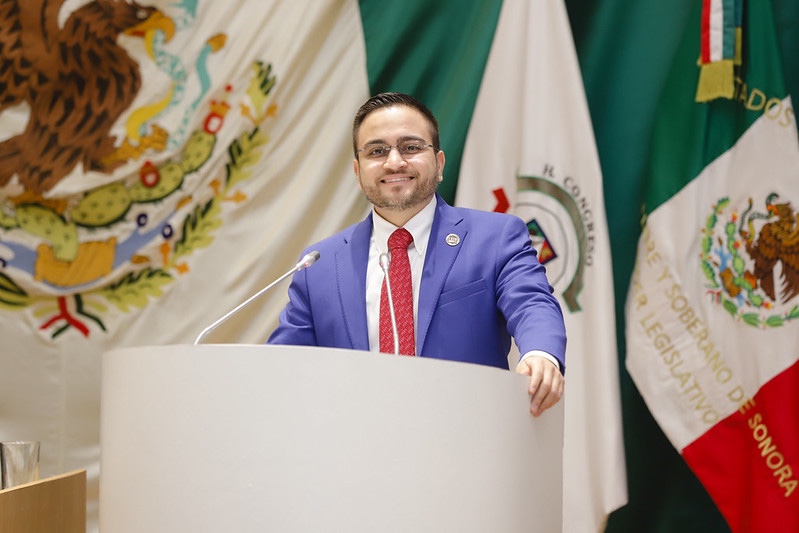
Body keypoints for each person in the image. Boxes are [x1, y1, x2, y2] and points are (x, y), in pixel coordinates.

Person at [268, 92, 566, 416]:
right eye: (377, 151)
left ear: (439, 164)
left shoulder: (495, 238)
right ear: (357, 171)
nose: (394, 161)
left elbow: (532, 303)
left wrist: (540, 353)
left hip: (466, 446)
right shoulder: (319, 265)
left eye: (410, 147)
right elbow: (280, 368)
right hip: (354, 453)